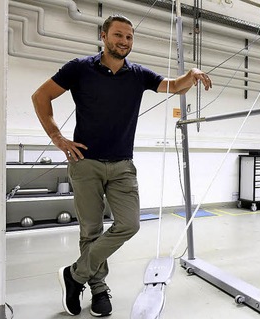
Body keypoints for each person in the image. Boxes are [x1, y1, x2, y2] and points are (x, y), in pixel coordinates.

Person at [31, 14, 212, 317]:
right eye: (118, 35)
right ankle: (98, 288)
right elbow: (41, 96)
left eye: (129, 37)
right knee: (90, 230)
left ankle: (75, 275)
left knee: (129, 224)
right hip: (85, 163)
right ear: (103, 36)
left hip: (122, 166)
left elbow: (172, 86)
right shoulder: (79, 68)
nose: (124, 41)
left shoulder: (138, 74)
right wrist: (58, 138)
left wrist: (190, 74)